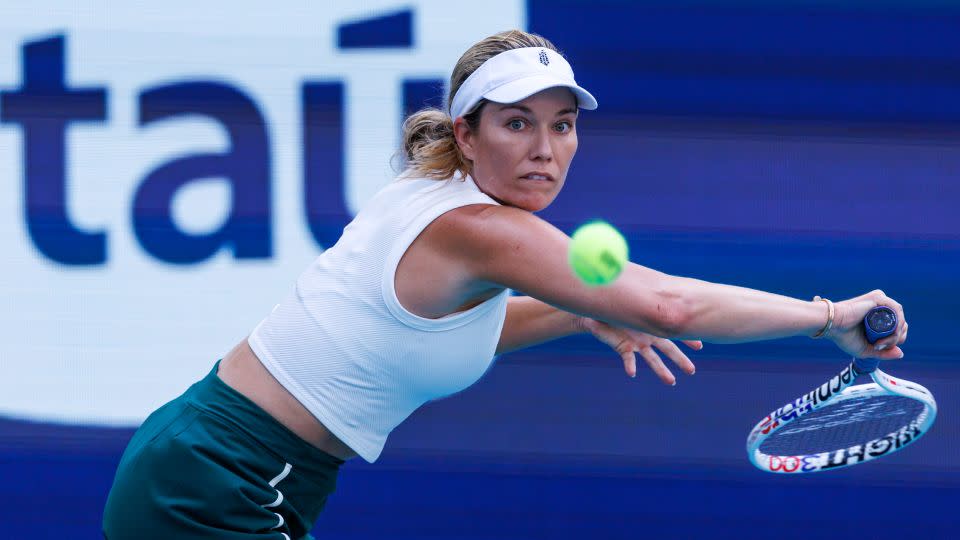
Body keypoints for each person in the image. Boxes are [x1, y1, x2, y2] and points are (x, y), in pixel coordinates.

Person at [102, 29, 908, 539]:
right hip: (219, 481)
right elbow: (668, 305)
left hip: (220, 465)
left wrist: (572, 316)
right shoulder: (482, 229)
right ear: (467, 132)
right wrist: (830, 315)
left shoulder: (443, 207)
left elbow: (430, 332)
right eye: (517, 123)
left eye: (562, 124)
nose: (545, 148)